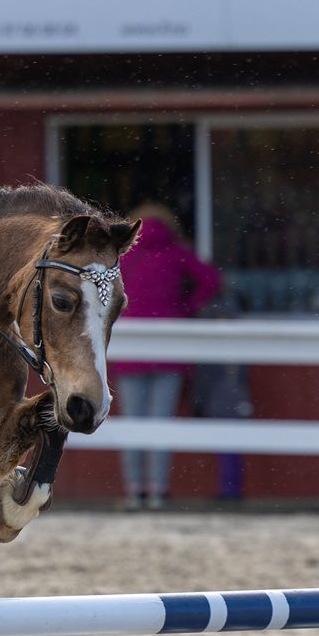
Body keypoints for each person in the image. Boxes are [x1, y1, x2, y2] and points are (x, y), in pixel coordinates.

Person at [111, 202, 220, 509]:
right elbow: (212, 281)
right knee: (161, 423)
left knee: (132, 424)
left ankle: (134, 491)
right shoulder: (177, 253)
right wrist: (186, 309)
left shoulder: (121, 255)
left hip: (131, 347)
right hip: (171, 345)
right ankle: (158, 491)